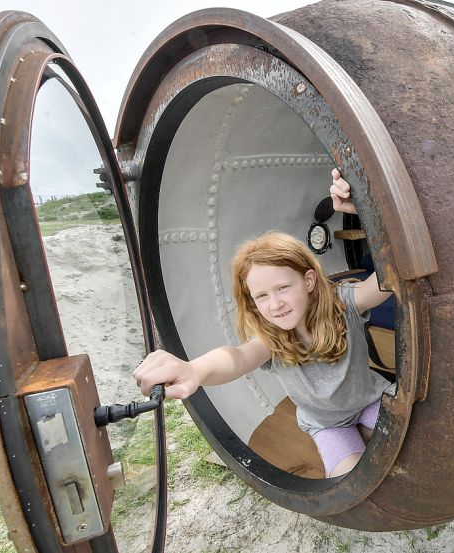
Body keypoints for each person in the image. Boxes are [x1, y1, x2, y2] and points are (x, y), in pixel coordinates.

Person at [133, 169, 393, 478]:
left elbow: (389, 277)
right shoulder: (272, 338)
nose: (275, 304)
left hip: (368, 401)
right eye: (262, 296)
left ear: (309, 280)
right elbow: (237, 358)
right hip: (327, 425)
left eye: (283, 288)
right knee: (352, 480)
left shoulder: (344, 304)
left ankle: (365, 430)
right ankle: (358, 436)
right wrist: (194, 370)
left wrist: (362, 208)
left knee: (413, 441)